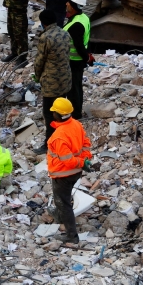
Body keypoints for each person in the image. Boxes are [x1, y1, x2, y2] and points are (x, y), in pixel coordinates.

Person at [47, 97, 92, 248]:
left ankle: (71, 236)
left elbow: (67, 160)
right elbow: (86, 144)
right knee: (65, 199)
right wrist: (85, 160)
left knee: (63, 203)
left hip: (62, 174)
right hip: (76, 173)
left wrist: (81, 162)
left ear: (58, 115)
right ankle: (63, 218)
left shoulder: (58, 136)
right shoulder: (76, 125)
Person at [33, 9, 72, 154]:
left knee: (50, 114)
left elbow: (39, 61)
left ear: (43, 23)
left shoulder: (45, 37)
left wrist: (37, 76)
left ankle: (50, 143)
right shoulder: (65, 33)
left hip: (51, 83)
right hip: (65, 80)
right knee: (63, 112)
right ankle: (65, 139)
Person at [63, 0, 91, 120]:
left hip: (73, 61)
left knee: (73, 89)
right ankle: (76, 112)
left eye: (69, 2)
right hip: (76, 60)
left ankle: (75, 115)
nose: (66, 4)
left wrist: (87, 57)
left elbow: (79, 46)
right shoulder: (83, 17)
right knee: (77, 87)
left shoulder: (76, 25)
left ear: (74, 5)